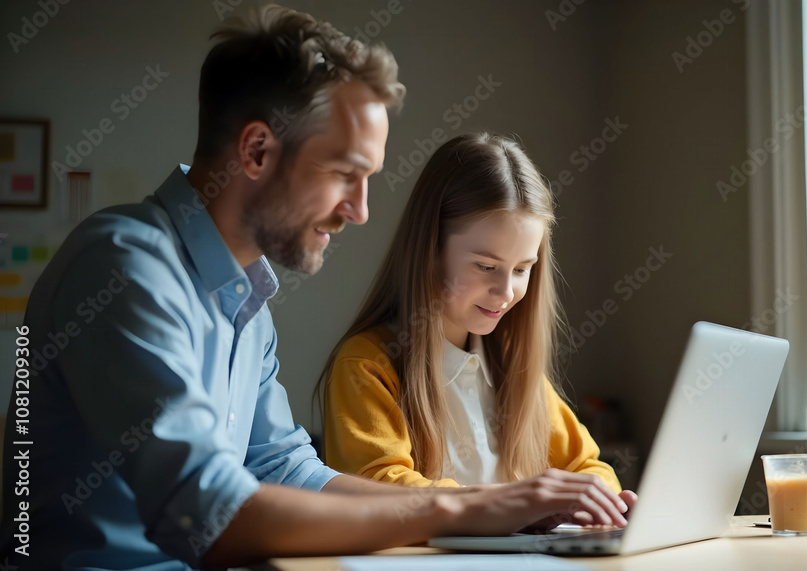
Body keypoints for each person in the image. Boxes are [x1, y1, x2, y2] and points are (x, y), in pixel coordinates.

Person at [0, 6, 630, 570]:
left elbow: (285, 469)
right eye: (344, 174)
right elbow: (208, 516)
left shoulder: (248, 305)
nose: (360, 210)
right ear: (256, 151)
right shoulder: (123, 267)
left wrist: (497, 509)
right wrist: (467, 510)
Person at [318, 133, 636, 505]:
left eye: (521, 269)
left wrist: (601, 501)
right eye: (486, 266)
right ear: (431, 251)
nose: (505, 292)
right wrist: (514, 504)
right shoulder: (367, 366)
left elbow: (590, 468)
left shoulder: (513, 368)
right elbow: (378, 490)